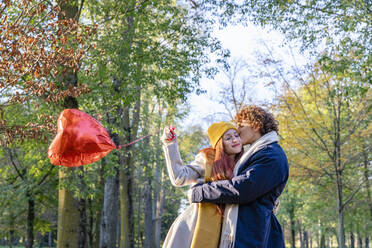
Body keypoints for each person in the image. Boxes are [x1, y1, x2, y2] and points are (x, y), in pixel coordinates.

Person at [191, 105, 289, 248]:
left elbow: (242, 188)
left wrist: (200, 191)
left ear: (255, 125)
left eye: (241, 125)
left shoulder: (271, 155)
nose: (238, 130)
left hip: (252, 237)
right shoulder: (262, 153)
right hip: (248, 234)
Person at [161, 121, 243, 248]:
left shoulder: (246, 163)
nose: (234, 140)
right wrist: (171, 144)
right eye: (228, 138)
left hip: (228, 229)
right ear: (220, 144)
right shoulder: (208, 160)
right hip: (195, 226)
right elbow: (179, 177)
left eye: (236, 135)